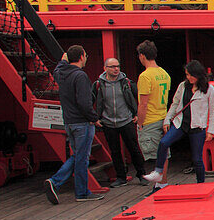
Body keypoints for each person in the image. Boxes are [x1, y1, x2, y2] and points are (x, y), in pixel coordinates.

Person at [45, 45, 104, 203]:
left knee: (78, 156)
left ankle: (61, 184)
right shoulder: (81, 76)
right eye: (85, 55)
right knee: (81, 158)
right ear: (81, 57)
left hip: (69, 121)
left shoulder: (60, 73)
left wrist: (63, 61)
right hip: (82, 122)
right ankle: (73, 189)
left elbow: (58, 68)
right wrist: (94, 118)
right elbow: (84, 103)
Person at [143, 60, 214, 186]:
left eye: (191, 75)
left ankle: (201, 184)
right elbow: (175, 103)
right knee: (164, 142)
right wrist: (167, 119)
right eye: (187, 75)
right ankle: (158, 171)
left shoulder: (209, 89)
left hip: (197, 126)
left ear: (198, 74)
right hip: (181, 123)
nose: (189, 78)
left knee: (197, 159)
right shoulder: (183, 86)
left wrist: (210, 131)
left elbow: (213, 110)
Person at [93, 57, 148, 187]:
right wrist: (95, 118)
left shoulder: (126, 82)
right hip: (108, 122)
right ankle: (121, 177)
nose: (116, 69)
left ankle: (142, 175)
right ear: (105, 68)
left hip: (127, 120)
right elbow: (91, 100)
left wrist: (136, 114)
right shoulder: (98, 84)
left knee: (134, 149)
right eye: (112, 67)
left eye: (117, 66)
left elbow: (141, 96)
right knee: (115, 151)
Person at [135, 40, 170, 168]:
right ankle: (162, 183)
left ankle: (159, 184)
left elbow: (143, 104)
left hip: (150, 120)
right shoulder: (164, 74)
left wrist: (140, 123)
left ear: (142, 56)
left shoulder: (145, 76)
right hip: (163, 117)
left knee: (154, 157)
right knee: (164, 154)